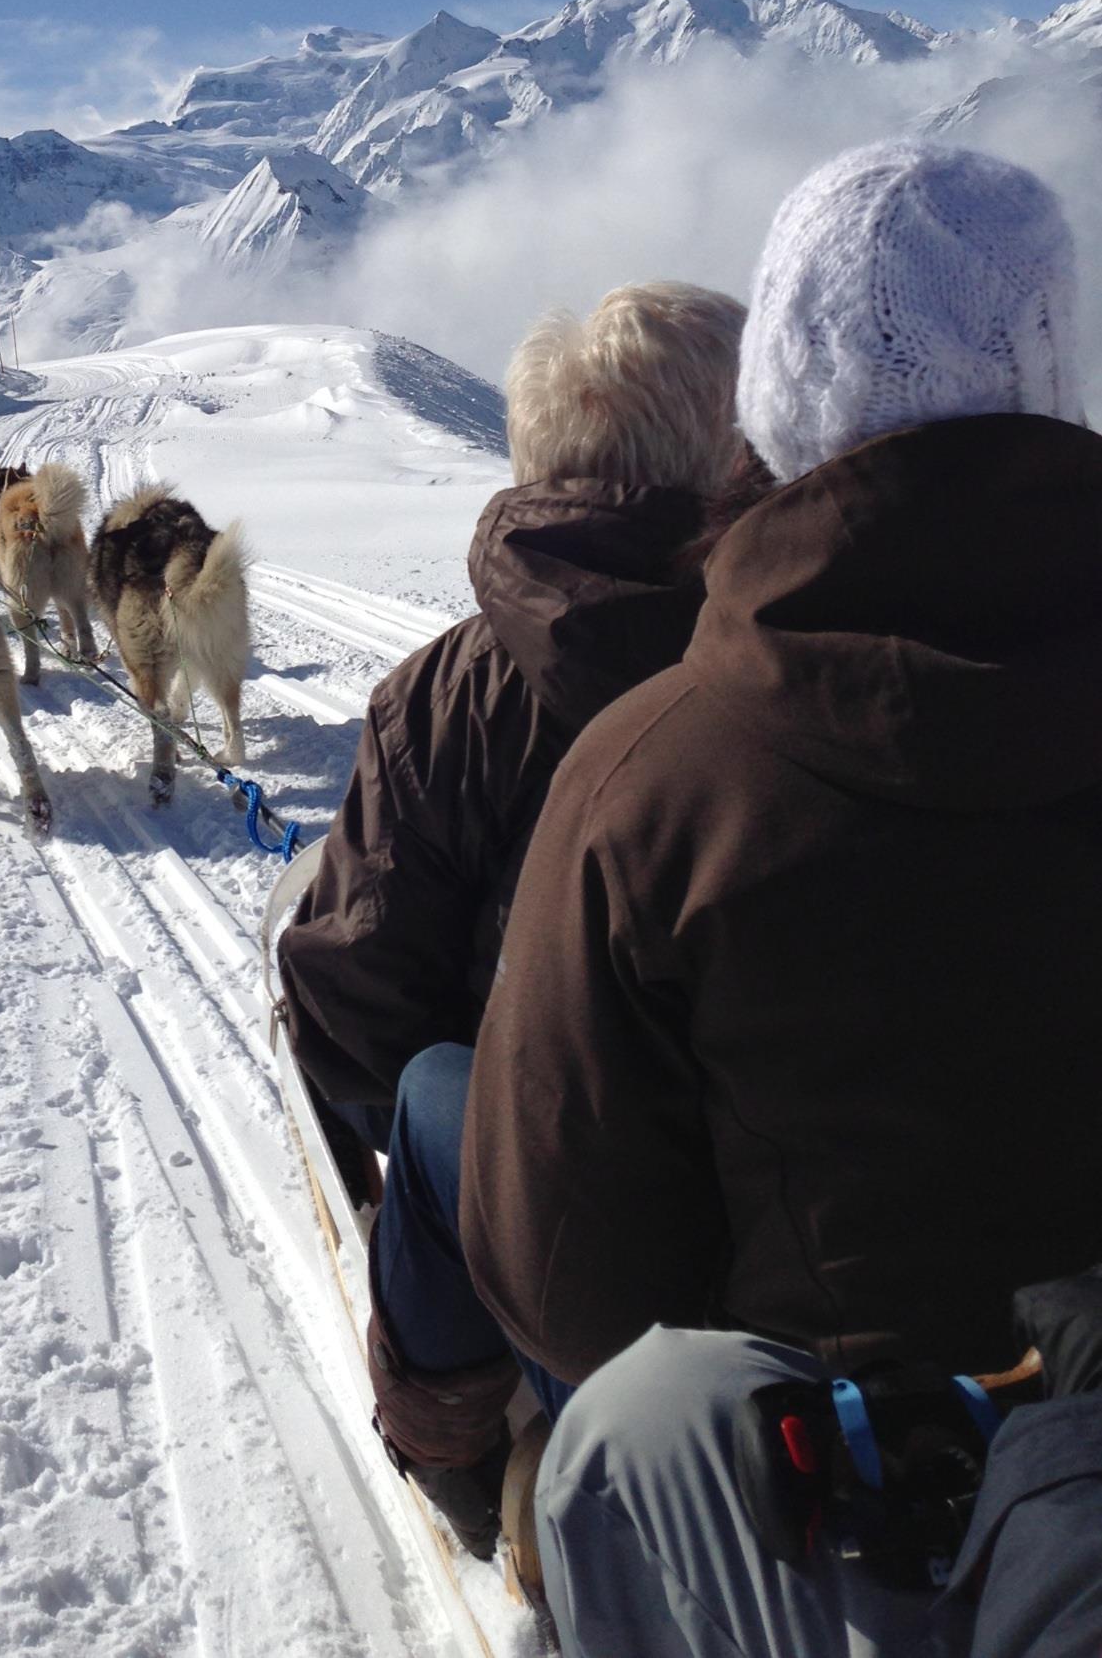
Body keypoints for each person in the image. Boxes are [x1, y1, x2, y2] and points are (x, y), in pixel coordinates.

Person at [457, 141, 1102, 1655]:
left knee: (632, 1427)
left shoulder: (653, 777)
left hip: (839, 1523)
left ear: (779, 400)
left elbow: (559, 1271)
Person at [278, 282, 748, 1553]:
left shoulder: (441, 694)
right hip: (788, 1214)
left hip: (571, 1239)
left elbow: (356, 990)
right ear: (729, 454)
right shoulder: (799, 656)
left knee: (433, 1083)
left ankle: (451, 1429)